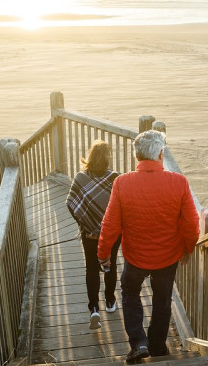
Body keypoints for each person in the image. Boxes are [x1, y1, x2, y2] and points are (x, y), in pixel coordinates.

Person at [97, 130, 200, 362]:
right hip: (168, 256)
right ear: (161, 154)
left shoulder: (122, 183)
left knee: (130, 293)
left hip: (135, 257)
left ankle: (138, 343)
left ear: (137, 157)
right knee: (163, 299)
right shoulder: (179, 182)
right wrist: (188, 248)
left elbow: (110, 224)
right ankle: (157, 346)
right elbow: (192, 223)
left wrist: (103, 253)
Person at [66, 140, 122, 330]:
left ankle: (94, 309)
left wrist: (84, 223)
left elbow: (70, 203)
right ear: (108, 159)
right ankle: (110, 301)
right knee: (110, 264)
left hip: (88, 233)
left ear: (89, 157)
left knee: (91, 267)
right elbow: (121, 207)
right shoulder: (115, 178)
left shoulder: (80, 178)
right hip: (112, 233)